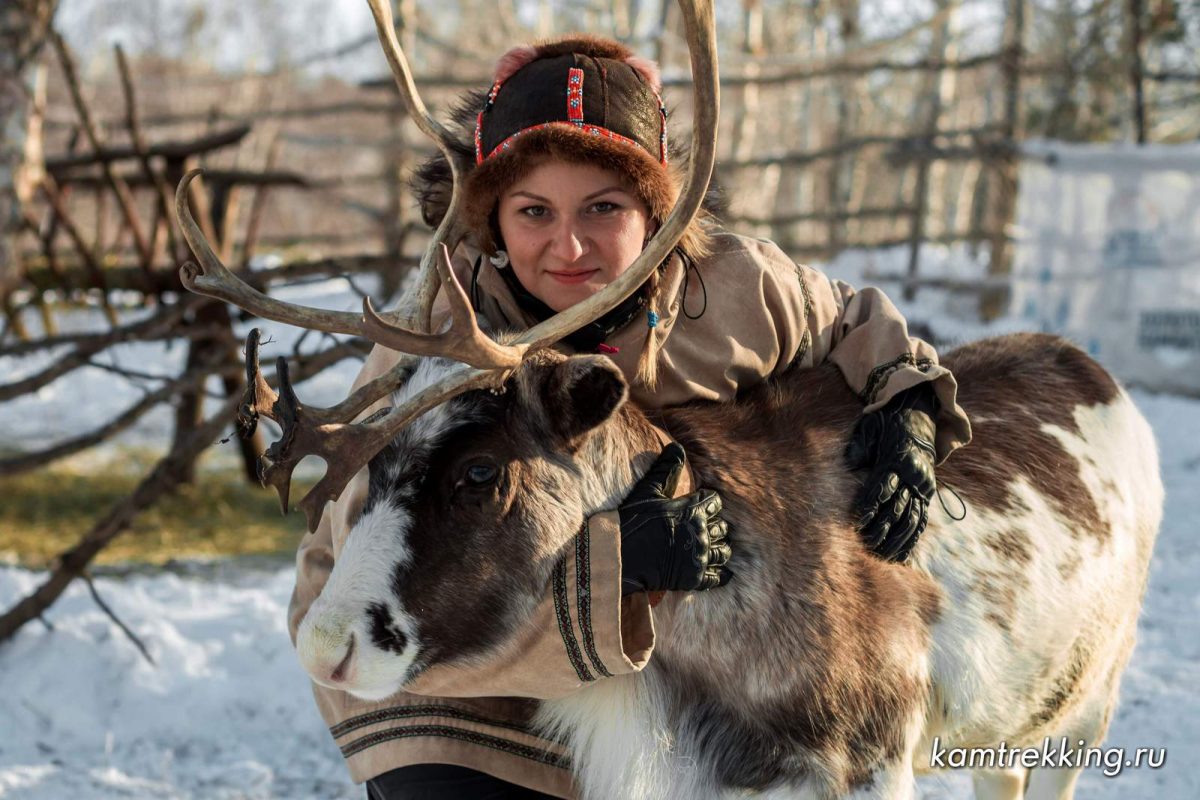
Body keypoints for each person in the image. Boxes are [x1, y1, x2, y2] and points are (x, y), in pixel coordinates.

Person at [289, 35, 972, 799]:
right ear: (491, 223)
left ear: (658, 211)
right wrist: (614, 575)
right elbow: (348, 560)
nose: (568, 245)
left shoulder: (737, 287)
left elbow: (853, 321)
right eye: (534, 211)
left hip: (663, 673)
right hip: (470, 674)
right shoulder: (443, 336)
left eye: (604, 208)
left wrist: (908, 402)